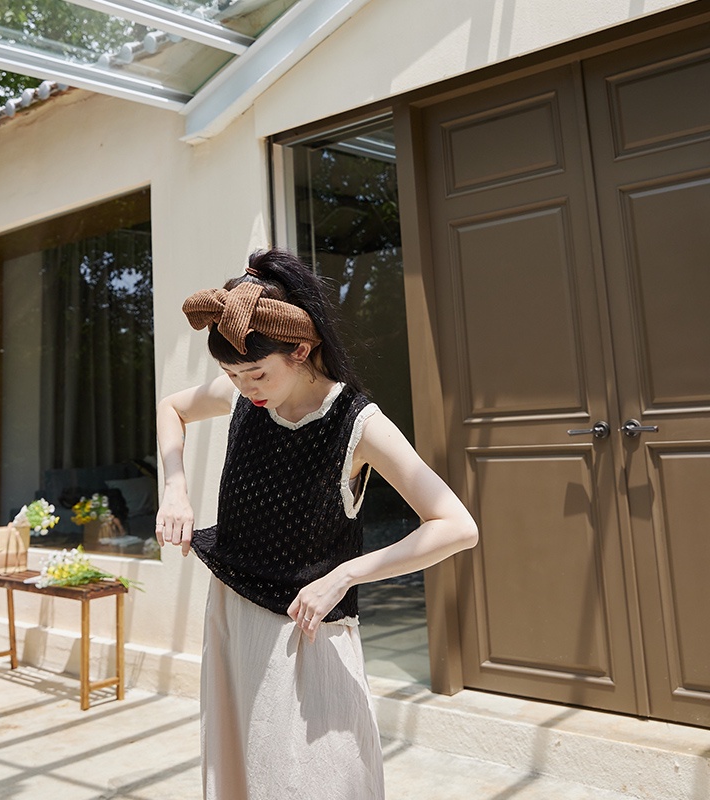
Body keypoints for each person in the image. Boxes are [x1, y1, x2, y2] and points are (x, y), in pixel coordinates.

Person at [155, 248, 478, 800]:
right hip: (233, 612)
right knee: (242, 773)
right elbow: (172, 407)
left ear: (301, 350)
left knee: (313, 779)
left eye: (257, 373)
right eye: (231, 375)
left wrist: (346, 575)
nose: (245, 387)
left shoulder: (358, 423)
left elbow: (455, 525)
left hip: (307, 627)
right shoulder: (246, 396)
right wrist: (175, 489)